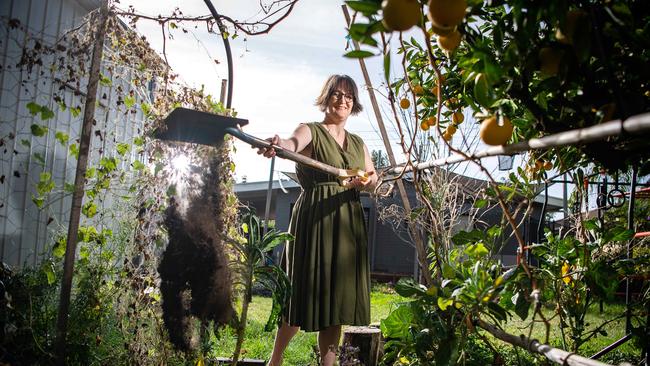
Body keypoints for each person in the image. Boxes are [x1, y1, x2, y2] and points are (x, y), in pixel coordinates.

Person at [257, 74, 377, 366]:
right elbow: (291, 144)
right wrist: (278, 144)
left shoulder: (359, 143)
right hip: (315, 220)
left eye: (349, 97)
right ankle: (275, 361)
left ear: (354, 103)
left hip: (347, 223)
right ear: (326, 98)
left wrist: (367, 181)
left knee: (335, 301)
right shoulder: (310, 130)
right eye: (337, 94)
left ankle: (328, 364)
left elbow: (373, 178)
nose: (343, 101)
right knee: (302, 293)